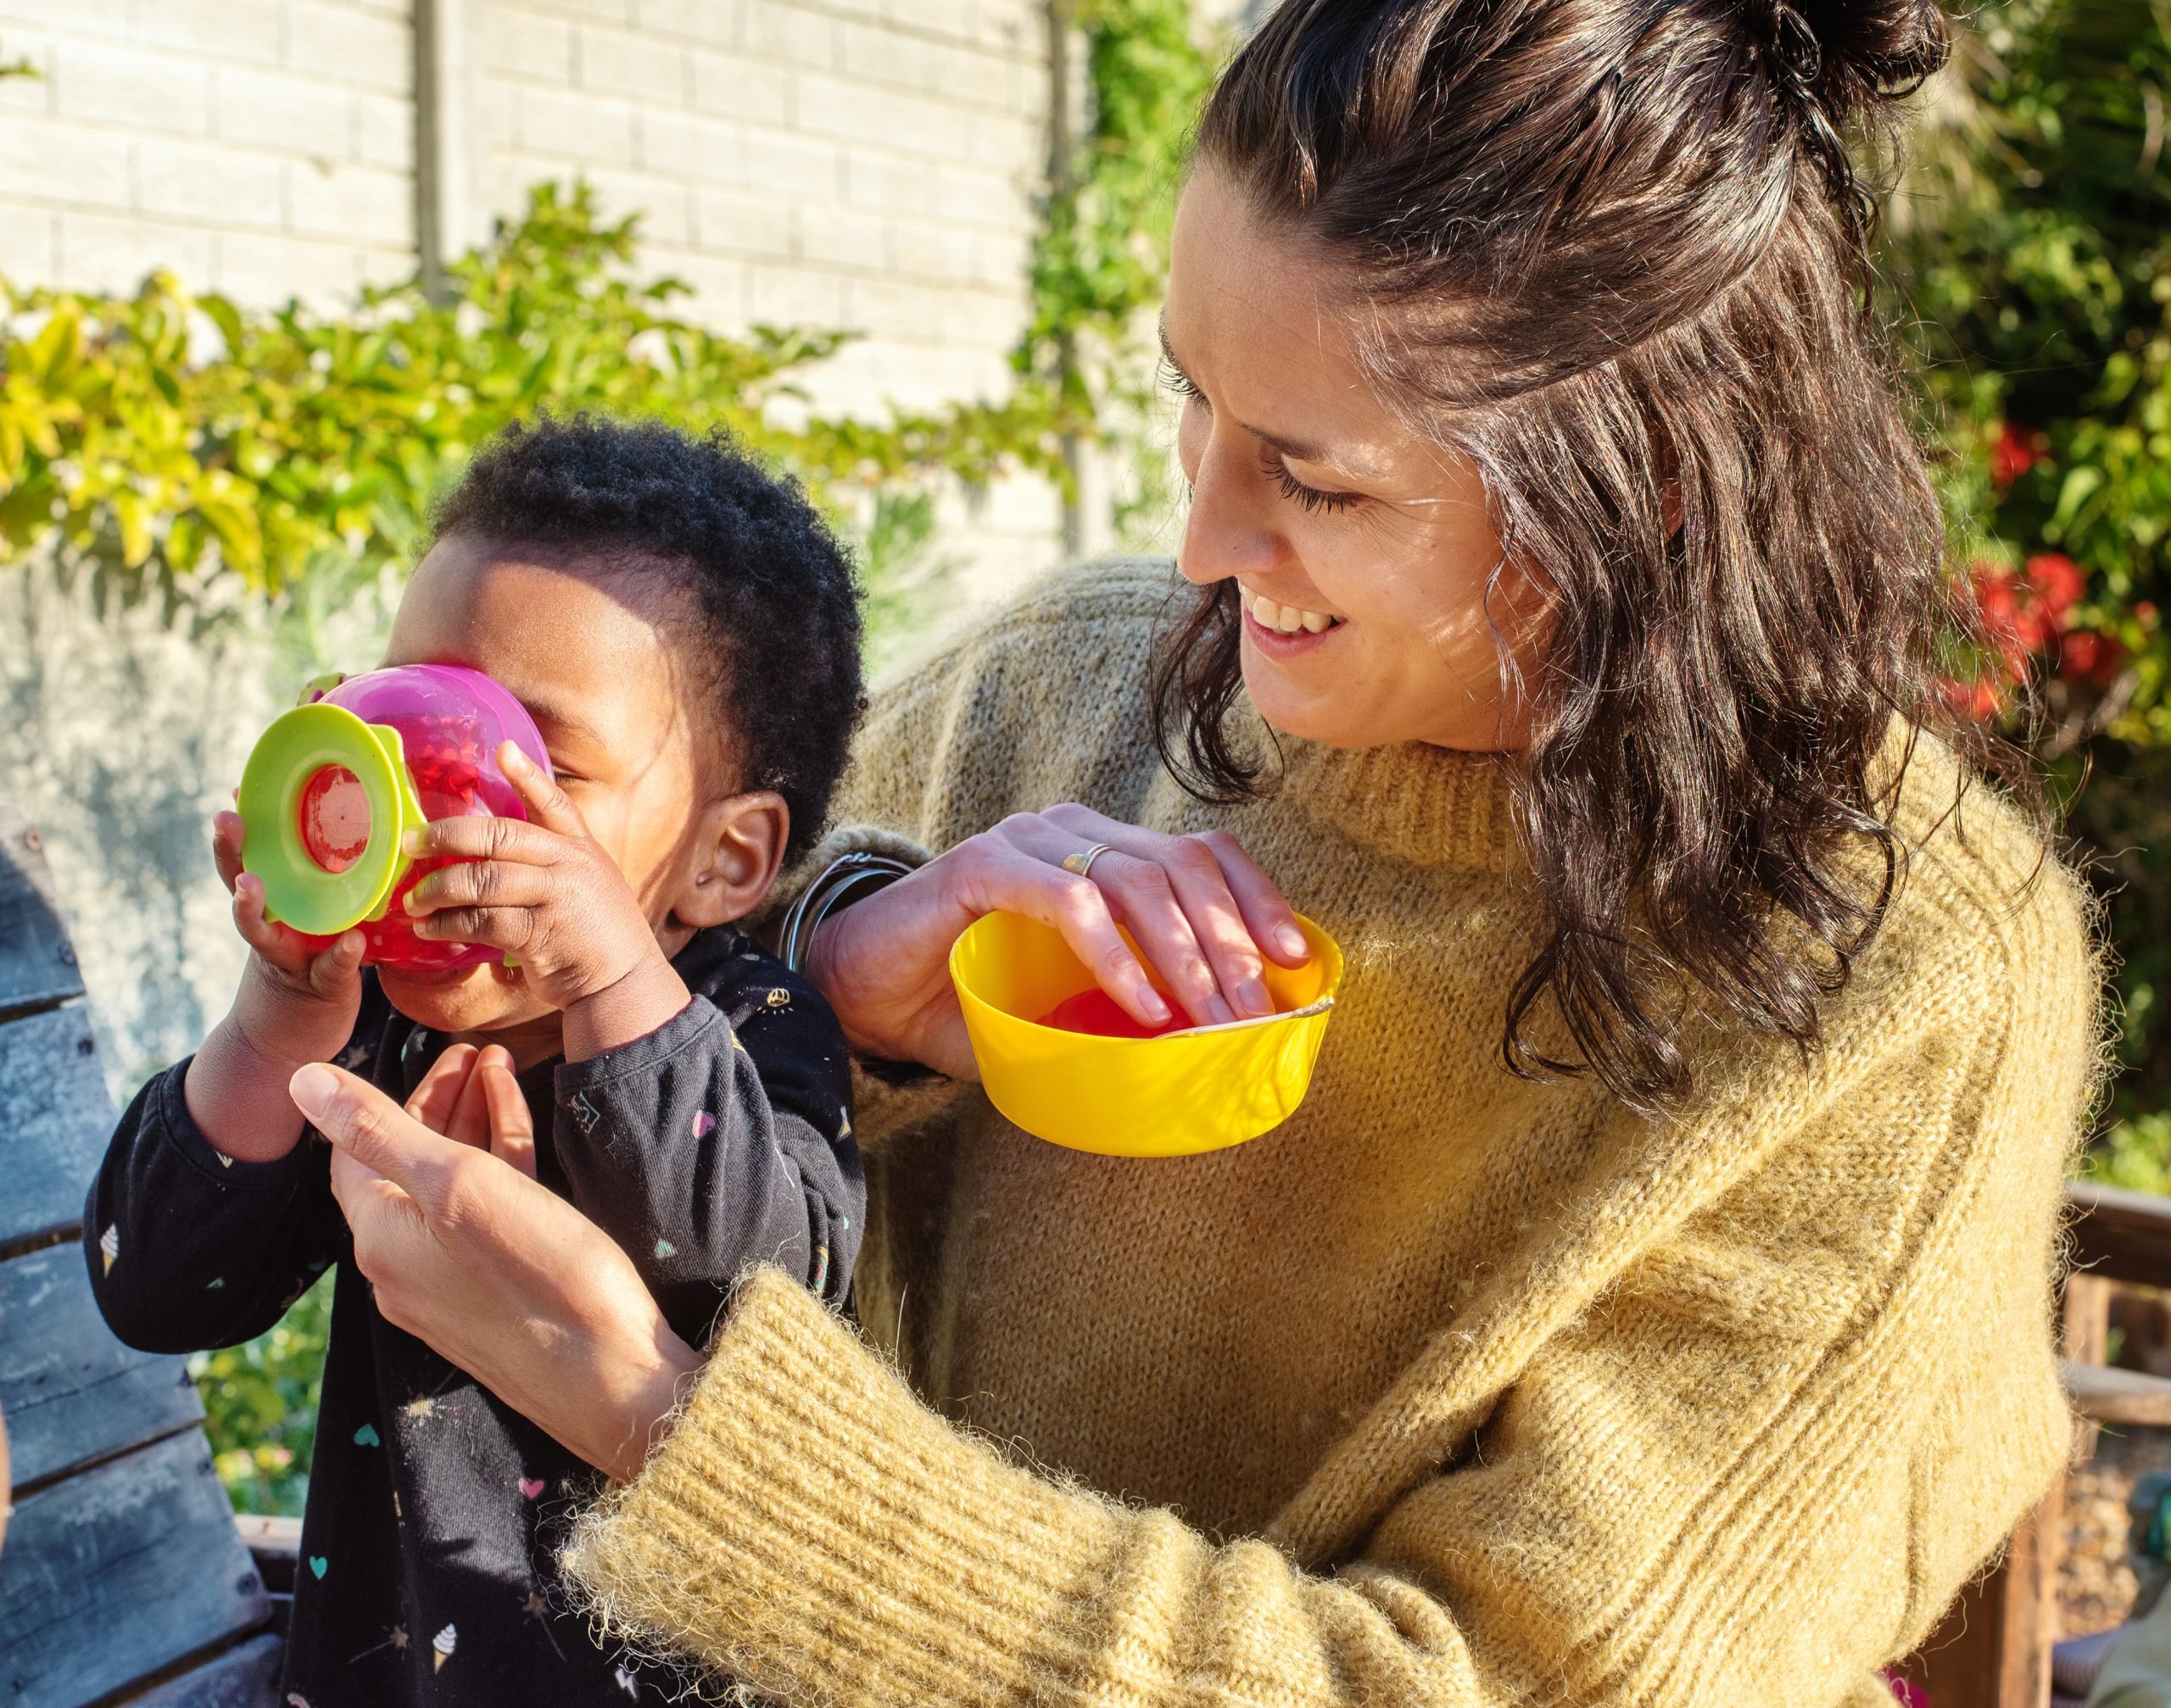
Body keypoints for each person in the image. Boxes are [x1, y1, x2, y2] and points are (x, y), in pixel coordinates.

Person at [287, 1, 2104, 1703]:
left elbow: (1456, 1680)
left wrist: (666, 1423)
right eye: (1190, 398)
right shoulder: (1045, 697)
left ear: (1651, 490)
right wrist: (835, 986)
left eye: (1317, 480)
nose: (1202, 535)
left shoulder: (1907, 981)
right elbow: (637, 993)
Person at [84, 417, 867, 1708]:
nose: (440, 802)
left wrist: (612, 981)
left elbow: (768, 1289)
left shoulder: (750, 1019)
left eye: (531, 762)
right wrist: (282, 1009)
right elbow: (157, 1286)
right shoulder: (373, 1028)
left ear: (726, 859)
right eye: (405, 728)